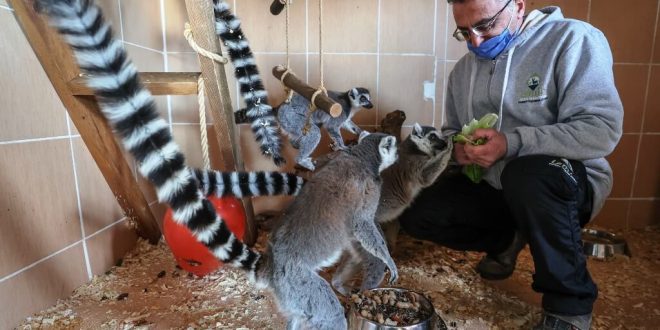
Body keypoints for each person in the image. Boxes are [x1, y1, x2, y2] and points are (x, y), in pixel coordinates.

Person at [397, 1, 623, 329]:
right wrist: (456, 152)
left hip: (563, 184)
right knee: (415, 208)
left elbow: (600, 130)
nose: (475, 41)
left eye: (485, 25)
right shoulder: (463, 73)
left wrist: (510, 143)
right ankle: (506, 241)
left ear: (518, 6)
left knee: (527, 172)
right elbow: (451, 133)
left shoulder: (573, 39)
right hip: (497, 186)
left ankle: (569, 306)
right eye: (464, 32)